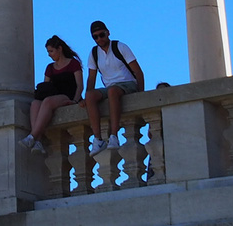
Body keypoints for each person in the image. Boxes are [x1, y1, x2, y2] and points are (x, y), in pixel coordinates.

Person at [81, 21, 144, 153]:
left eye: (101, 35)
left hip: (127, 83)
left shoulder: (120, 47)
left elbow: (138, 71)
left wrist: (141, 93)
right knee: (90, 96)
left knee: (112, 91)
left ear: (108, 33)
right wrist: (86, 96)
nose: (99, 39)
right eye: (95, 37)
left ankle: (114, 136)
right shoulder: (94, 53)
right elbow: (91, 77)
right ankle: (98, 139)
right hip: (109, 87)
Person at [21, 35, 82, 154]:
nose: (49, 54)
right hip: (53, 95)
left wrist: (75, 101)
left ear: (59, 49)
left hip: (67, 96)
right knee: (35, 103)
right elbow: (46, 86)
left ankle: (32, 136)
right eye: (48, 52)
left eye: (51, 51)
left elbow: (80, 85)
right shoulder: (50, 67)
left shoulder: (73, 63)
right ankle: (37, 140)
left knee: (47, 102)